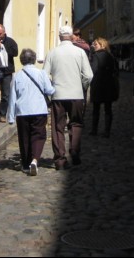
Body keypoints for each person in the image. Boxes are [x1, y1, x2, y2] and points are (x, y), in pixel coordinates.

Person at [43, 25, 93, 169]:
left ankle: (60, 159)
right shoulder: (80, 52)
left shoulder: (52, 53)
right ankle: (75, 150)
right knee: (76, 123)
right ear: (71, 37)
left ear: (59, 37)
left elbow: (45, 75)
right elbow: (89, 75)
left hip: (58, 94)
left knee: (58, 127)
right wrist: (82, 85)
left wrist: (50, 90)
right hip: (76, 94)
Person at [7, 48, 55, 176]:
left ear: (22, 60)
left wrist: (11, 117)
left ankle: (25, 164)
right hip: (39, 110)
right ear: (34, 59)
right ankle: (35, 160)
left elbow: (12, 97)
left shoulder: (17, 76)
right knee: (38, 135)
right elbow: (50, 91)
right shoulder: (41, 74)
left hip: (22, 111)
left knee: (24, 137)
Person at [88, 37, 119, 137]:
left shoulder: (96, 56)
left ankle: (94, 130)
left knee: (96, 109)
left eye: (95, 44)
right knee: (108, 109)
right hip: (109, 85)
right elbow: (116, 71)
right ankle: (107, 131)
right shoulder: (111, 56)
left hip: (98, 85)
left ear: (102, 45)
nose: (94, 46)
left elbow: (93, 70)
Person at [0, 24, 19, 122]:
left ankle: (3, 114)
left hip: (7, 71)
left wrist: (2, 46)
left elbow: (15, 53)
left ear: (4, 32)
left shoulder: (10, 41)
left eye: (0, 33)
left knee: (5, 94)